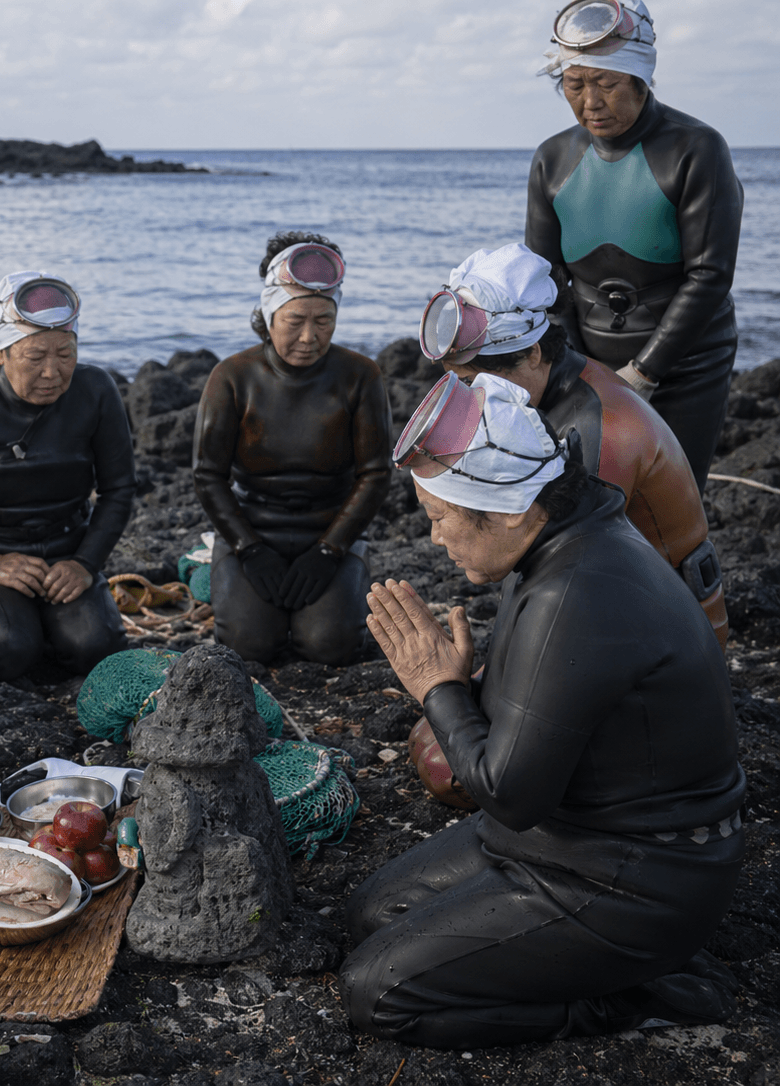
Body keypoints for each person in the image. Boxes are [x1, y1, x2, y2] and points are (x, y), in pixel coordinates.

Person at [340, 368, 745, 1048]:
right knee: (374, 914)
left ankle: (632, 999)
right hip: (559, 837)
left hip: (637, 882)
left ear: (505, 511)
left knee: (375, 994)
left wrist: (437, 688)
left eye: (439, 517)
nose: (436, 537)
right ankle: (591, 968)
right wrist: (467, 688)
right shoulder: (562, 537)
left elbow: (509, 793)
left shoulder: (577, 593)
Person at [409, 242, 729, 808]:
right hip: (595, 605)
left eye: (483, 382)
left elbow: (571, 564)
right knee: (440, 730)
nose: (476, 401)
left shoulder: (601, 429)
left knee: (447, 764)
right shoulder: (548, 394)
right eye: (459, 384)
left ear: (533, 354)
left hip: (655, 636)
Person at [527, 0, 744, 488]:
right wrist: (578, 372)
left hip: (687, 364)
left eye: (606, 83)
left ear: (641, 79)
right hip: (588, 362)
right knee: (589, 501)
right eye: (574, 84)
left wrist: (643, 375)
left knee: (671, 503)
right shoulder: (552, 159)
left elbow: (710, 275)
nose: (591, 101)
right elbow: (545, 281)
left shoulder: (696, 148)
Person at [193, 232, 390, 665]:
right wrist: (248, 548)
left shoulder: (360, 376)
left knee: (329, 648)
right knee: (248, 648)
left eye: (323, 320)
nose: (309, 336)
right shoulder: (232, 377)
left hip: (329, 533)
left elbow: (376, 473)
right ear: (268, 314)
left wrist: (330, 550)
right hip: (252, 532)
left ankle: (348, 568)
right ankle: (216, 567)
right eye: (295, 320)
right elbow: (208, 475)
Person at [0, 271, 133, 680]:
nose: (52, 372)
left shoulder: (95, 389)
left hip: (66, 548)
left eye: (65, 354)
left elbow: (119, 489)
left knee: (96, 649)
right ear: (1, 353)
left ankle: (41, 624)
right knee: (2, 651)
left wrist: (84, 563)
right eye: (35, 356)